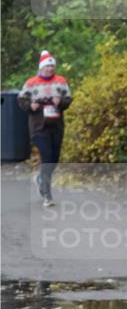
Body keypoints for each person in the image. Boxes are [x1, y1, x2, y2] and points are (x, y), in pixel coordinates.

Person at [17, 50, 72, 207]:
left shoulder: (61, 81)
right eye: (47, 67)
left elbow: (68, 99)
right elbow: (21, 99)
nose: (50, 69)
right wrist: (30, 106)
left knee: (54, 160)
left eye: (52, 66)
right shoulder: (31, 83)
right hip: (38, 127)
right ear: (41, 68)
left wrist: (59, 103)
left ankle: (41, 179)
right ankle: (47, 194)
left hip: (56, 125)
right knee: (47, 157)